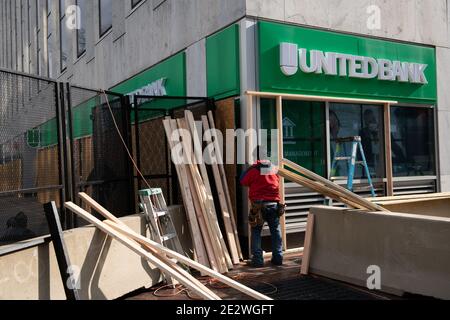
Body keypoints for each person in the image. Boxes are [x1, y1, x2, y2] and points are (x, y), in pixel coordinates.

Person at [240, 160, 285, 268]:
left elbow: (243, 181)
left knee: (256, 231)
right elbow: (277, 182)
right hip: (274, 204)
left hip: (258, 205)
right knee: (275, 231)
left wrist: (249, 168)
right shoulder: (273, 170)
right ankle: (278, 258)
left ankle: (258, 260)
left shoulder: (254, 170)